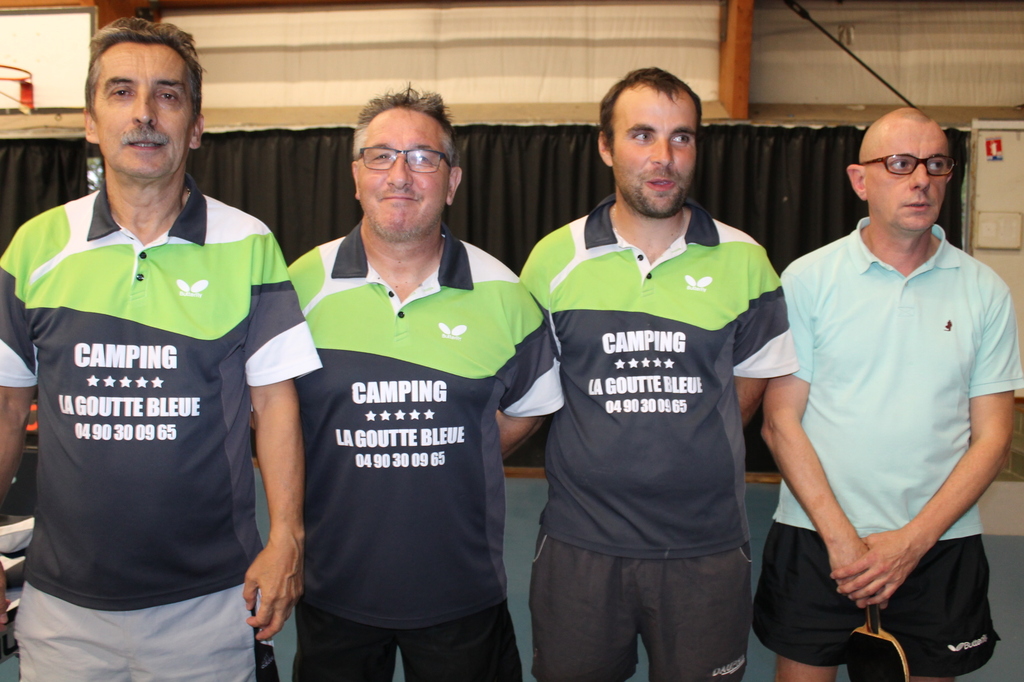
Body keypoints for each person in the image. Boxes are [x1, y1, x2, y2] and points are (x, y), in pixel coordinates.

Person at [0, 18, 321, 681]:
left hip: (211, 601)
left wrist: (286, 535)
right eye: (121, 92)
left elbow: (275, 403)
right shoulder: (35, 246)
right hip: (62, 608)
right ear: (91, 122)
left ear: (195, 127)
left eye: (167, 95)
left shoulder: (250, 244)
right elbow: (6, 407)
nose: (144, 112)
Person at [519, 67, 798, 682]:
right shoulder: (553, 259)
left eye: (682, 137)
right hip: (580, 548)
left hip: (706, 550)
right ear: (605, 146)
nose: (664, 157)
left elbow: (746, 391)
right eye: (642, 135)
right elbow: (532, 391)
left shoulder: (746, 260)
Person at [288, 86, 563, 682]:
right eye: (381, 156)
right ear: (356, 176)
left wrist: (461, 448)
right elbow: (271, 414)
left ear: (452, 181)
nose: (400, 175)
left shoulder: (505, 293)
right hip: (333, 589)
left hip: (462, 594)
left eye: (422, 158)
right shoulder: (298, 286)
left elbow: (530, 406)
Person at [753, 108, 1023, 682]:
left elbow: (994, 438)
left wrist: (912, 543)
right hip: (817, 539)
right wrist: (841, 540)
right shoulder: (807, 279)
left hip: (939, 544)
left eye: (936, 164)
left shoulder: (986, 292)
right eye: (900, 164)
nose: (920, 179)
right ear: (860, 180)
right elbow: (779, 421)